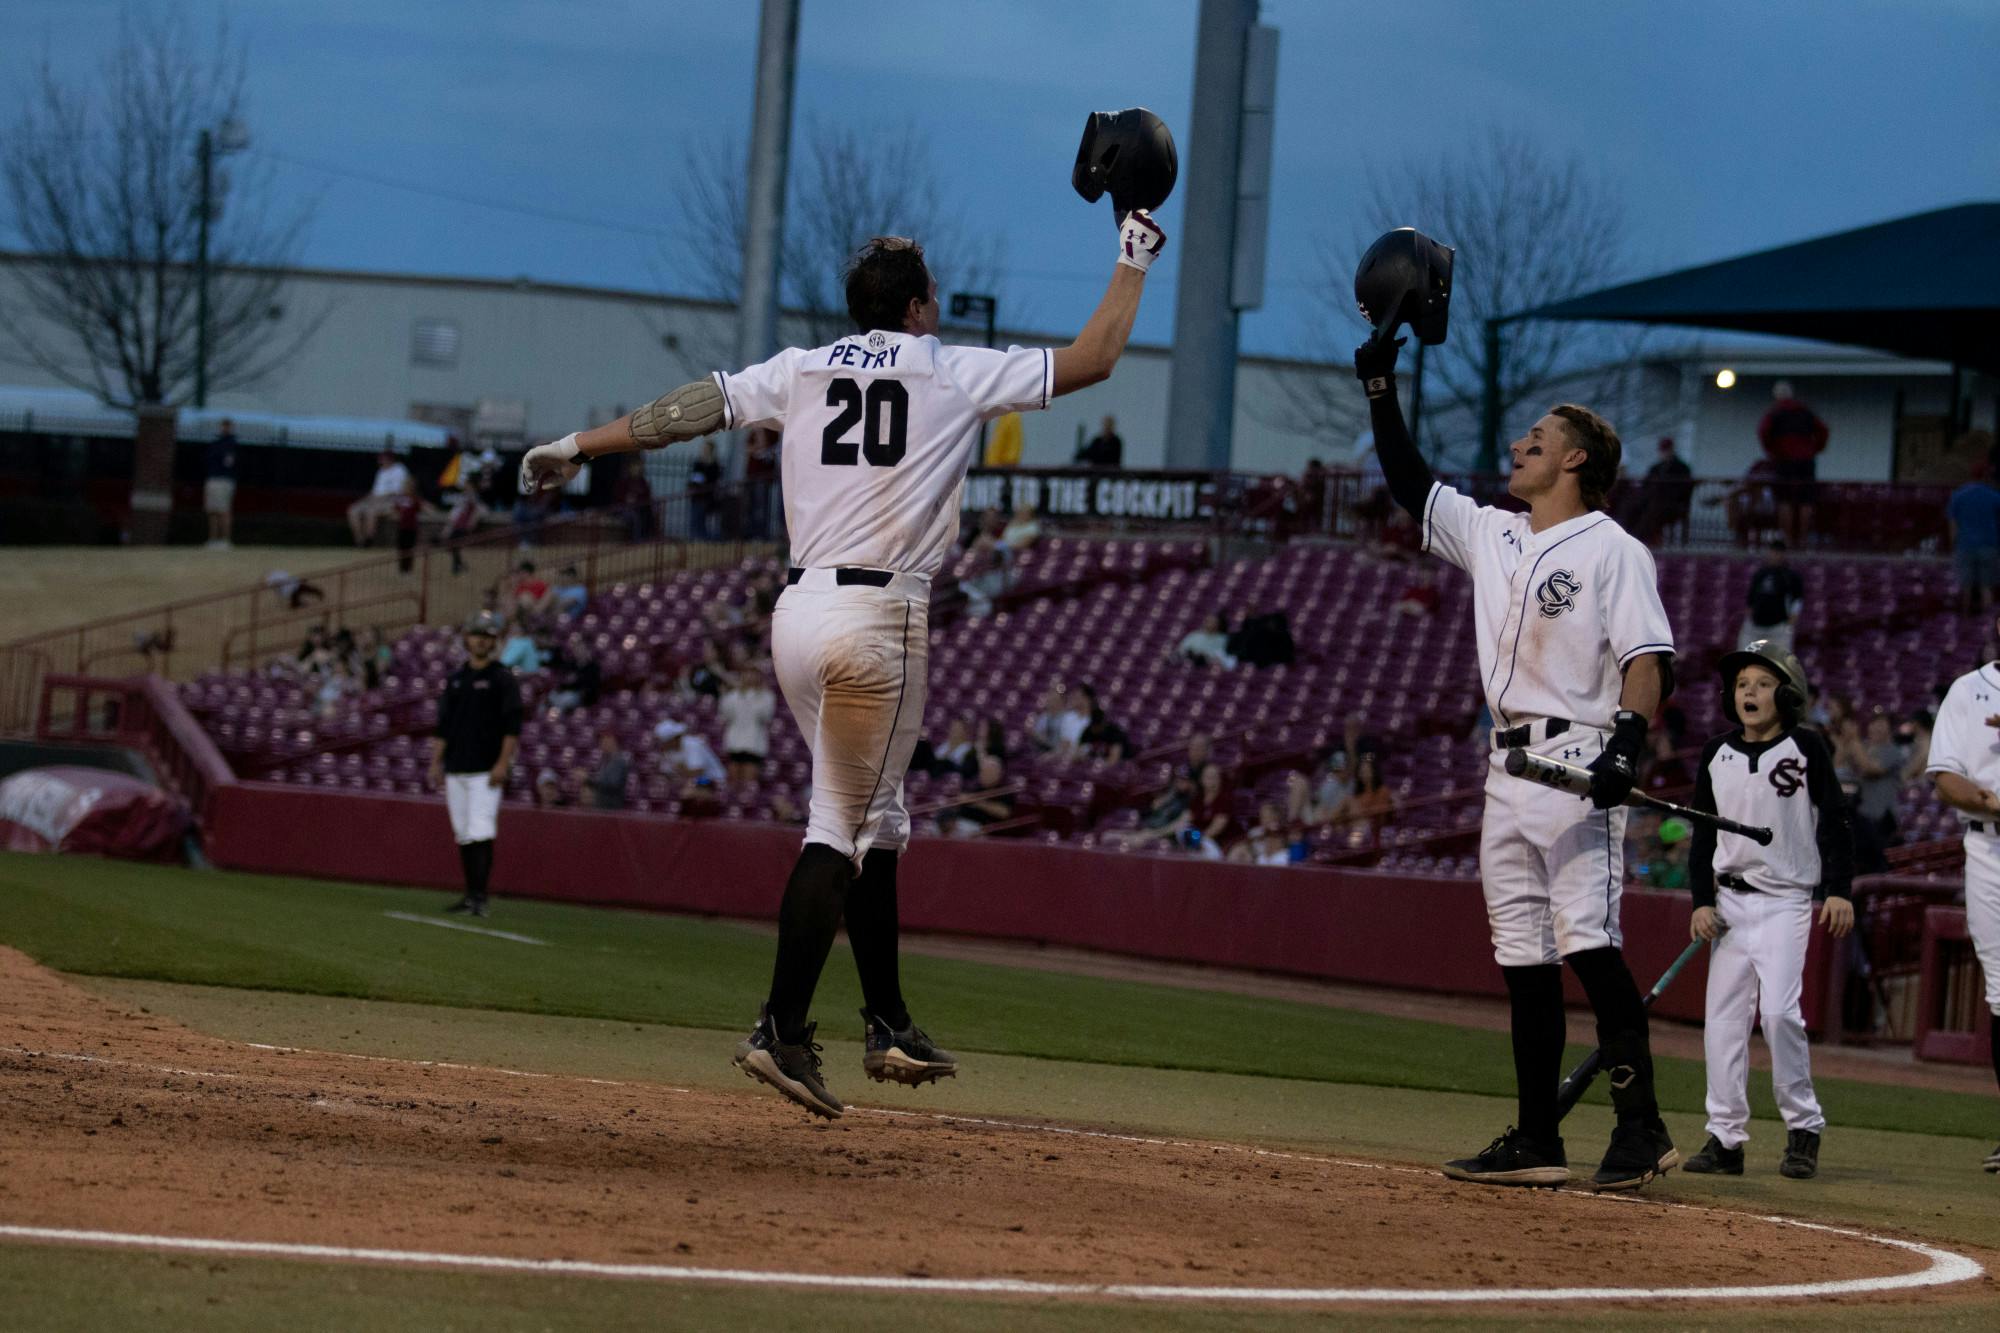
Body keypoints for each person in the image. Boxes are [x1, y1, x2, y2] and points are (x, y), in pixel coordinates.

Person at [520, 210, 1165, 1119]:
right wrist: (1135, 252)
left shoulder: (803, 366)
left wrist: (579, 446)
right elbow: (1095, 355)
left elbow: (691, 412)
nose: (937, 308)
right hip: (877, 621)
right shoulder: (948, 367)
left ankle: (888, 1019)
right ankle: (778, 1029)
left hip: (796, 615)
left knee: (879, 818)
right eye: (931, 296)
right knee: (839, 829)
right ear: (912, 307)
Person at [1356, 322, 1679, 1191]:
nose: (1518, 446)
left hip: (1578, 761)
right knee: (1522, 956)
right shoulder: (1494, 533)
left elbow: (1650, 660)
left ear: (1575, 460)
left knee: (1590, 942)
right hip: (1507, 768)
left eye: (1537, 440)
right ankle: (1539, 1136)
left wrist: (1630, 742)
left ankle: (1640, 1126)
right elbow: (1409, 483)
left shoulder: (1614, 547)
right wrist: (1381, 386)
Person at [1683, 642, 1854, 1181]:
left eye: (1761, 683)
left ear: (1787, 693)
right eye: (1741, 685)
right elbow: (1700, 835)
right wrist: (1701, 901)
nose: (1749, 693)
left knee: (1780, 1014)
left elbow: (1836, 819)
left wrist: (1839, 888)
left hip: (1786, 900)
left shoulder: (1806, 746)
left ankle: (1804, 1128)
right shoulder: (1715, 753)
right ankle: (1724, 1138)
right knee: (1723, 1025)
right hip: (1730, 904)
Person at [1923, 624, 2000, 1172]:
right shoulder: (1968, 690)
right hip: (1989, 851)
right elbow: (1946, 777)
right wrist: (1986, 799)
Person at [427, 610, 522, 917]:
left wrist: (502, 763)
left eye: (486, 637)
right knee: (465, 833)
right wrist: (435, 763)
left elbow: (512, 726)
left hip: (485, 767)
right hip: (456, 766)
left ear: (493, 642)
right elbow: (443, 726)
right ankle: (470, 895)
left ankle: (479, 897)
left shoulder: (502, 678)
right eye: (476, 635)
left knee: (481, 831)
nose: (481, 641)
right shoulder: (456, 680)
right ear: (467, 639)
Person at [1757, 381, 1829, 548]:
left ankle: (1788, 538)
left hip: (1784, 461)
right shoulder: (1805, 412)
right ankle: (1802, 538)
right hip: (1806, 461)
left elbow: (1763, 432)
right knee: (1806, 500)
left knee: (1784, 500)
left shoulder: (1774, 413)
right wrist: (1815, 448)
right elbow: (1823, 430)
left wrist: (1773, 451)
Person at [1948, 456, 2000, 615]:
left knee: (1966, 587)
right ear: (1986, 476)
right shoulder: (1994, 496)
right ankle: (1985, 625)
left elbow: (1953, 525)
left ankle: (1964, 620)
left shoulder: (1958, 495)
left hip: (1965, 545)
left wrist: (1953, 545)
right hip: (1989, 546)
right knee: (1986, 587)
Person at [1740, 540, 1805, 654]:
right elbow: (1750, 599)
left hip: (1779, 628)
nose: (1775, 556)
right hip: (1755, 626)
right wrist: (1750, 616)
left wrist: (1792, 619)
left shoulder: (1790, 576)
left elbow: (1797, 600)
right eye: (1773, 552)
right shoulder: (1760, 574)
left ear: (1783, 555)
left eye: (1778, 553)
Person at [718, 669, 777, 786]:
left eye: (753, 675)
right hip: (734, 742)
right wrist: (727, 694)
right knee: (733, 779)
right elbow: (725, 714)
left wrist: (754, 698)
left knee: (749, 781)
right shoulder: (733, 696)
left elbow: (765, 716)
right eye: (746, 674)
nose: (749, 678)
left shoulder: (766, 696)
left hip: (753, 743)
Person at [348, 448, 412, 546]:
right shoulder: (381, 472)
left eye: (382, 459)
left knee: (371, 511)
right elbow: (375, 491)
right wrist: (365, 499)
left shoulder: (399, 469)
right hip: (376, 500)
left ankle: (369, 540)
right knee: (353, 510)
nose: (379, 461)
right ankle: (359, 540)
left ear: (389, 459)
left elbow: (398, 491)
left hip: (391, 501)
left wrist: (379, 499)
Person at [1637, 437, 1693, 547]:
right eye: (1662, 450)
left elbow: (1684, 489)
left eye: (1666, 450)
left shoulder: (1682, 468)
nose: (1664, 453)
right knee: (1638, 509)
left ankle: (1648, 540)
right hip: (1652, 503)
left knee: (1653, 512)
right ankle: (1643, 539)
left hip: (1672, 505)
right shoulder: (1656, 468)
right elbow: (1645, 484)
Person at [203, 417, 238, 549]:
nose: (225, 428)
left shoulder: (231, 444)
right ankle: (212, 539)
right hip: (213, 478)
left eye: (227, 426)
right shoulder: (215, 443)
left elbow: (229, 463)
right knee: (212, 511)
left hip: (224, 480)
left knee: (224, 511)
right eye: (223, 426)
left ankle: (225, 540)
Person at [578, 730, 630, 810]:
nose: (601, 744)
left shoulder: (618, 761)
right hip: (603, 809)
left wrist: (588, 779)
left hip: (611, 811)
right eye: (601, 741)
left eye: (604, 740)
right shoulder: (606, 761)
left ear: (613, 742)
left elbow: (612, 785)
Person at [688, 438, 723, 540]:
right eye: (703, 449)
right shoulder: (698, 464)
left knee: (703, 519)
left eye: (706, 449)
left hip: (707, 496)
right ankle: (695, 538)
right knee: (695, 518)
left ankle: (703, 538)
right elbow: (693, 477)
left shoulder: (714, 465)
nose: (704, 451)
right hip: (696, 495)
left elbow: (713, 479)